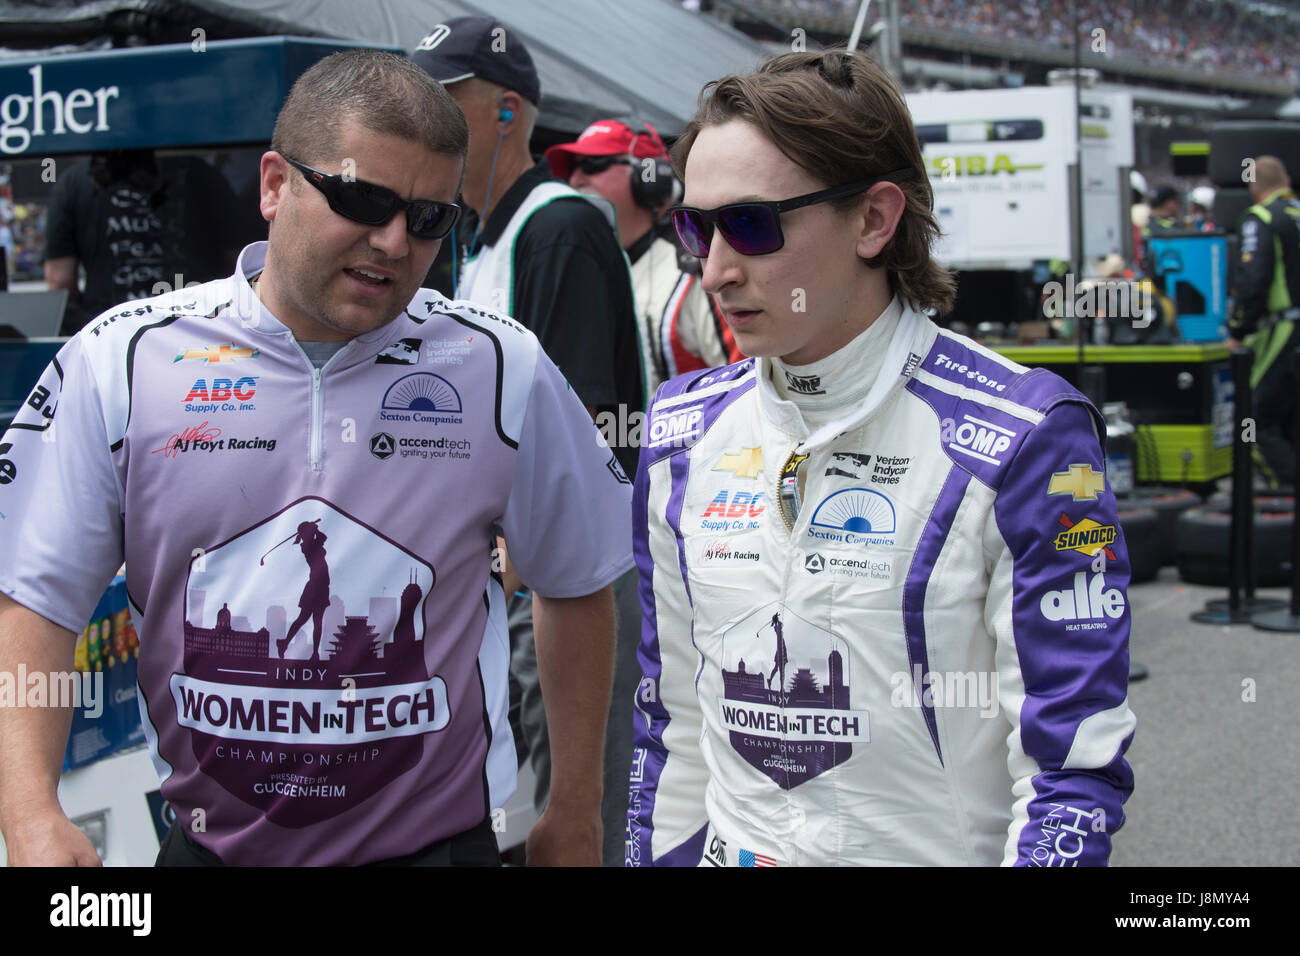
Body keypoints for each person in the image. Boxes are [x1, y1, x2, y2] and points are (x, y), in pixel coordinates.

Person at [0, 49, 630, 867]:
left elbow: (578, 583)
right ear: (273, 184)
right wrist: (28, 810)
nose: (394, 241)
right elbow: (34, 595)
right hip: (209, 851)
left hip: (439, 852)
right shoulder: (122, 359)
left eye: (430, 218)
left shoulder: (500, 366)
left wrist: (575, 810)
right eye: (362, 200)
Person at [627, 49, 1136, 867]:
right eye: (697, 226)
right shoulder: (681, 432)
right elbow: (670, 731)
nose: (715, 269)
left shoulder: (1024, 436)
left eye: (753, 224)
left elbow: (1071, 768)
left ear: (874, 219)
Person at [411, 17, 644, 867]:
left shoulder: (557, 225)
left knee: (573, 819)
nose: (422, 120)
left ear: (507, 111)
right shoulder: (480, 239)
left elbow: (584, 427)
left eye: (445, 102)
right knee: (528, 812)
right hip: (517, 585)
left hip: (562, 583)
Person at [545, 119, 742, 392]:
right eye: (572, 170)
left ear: (649, 181)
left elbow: (747, 382)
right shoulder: (582, 272)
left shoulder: (692, 268)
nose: (576, 179)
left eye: (592, 166)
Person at [42, 149, 244, 335]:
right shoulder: (199, 172)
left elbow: (59, 281)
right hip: (196, 329)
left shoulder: (73, 181)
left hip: (110, 333)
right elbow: (238, 261)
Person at [1228, 155, 1300, 487]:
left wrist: (1238, 329)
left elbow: (1254, 280)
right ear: (1285, 181)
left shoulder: (1261, 218)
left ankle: (1285, 505)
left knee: (1252, 421)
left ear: (1254, 188)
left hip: (1283, 330)